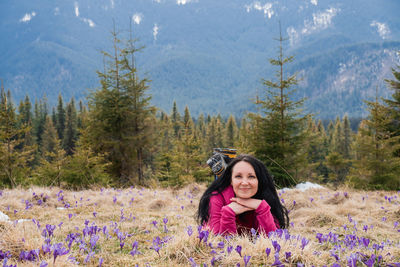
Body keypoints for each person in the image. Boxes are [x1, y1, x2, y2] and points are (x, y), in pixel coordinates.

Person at [197, 154, 289, 235]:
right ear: (231, 181)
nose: (245, 182)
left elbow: (273, 238)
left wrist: (262, 207)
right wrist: (228, 213)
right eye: (238, 176)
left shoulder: (265, 196)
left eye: (251, 177)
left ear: (259, 180)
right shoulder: (217, 197)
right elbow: (220, 242)